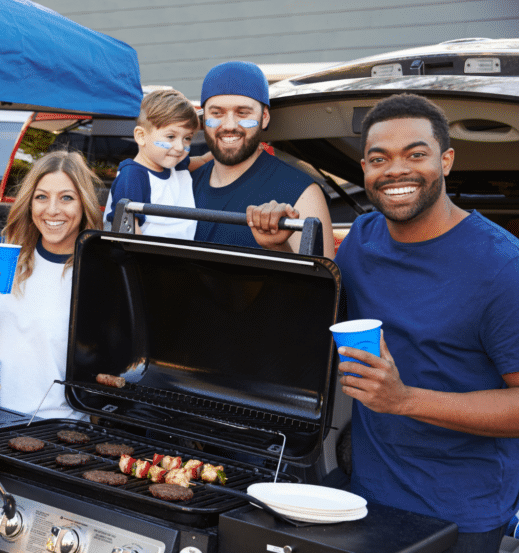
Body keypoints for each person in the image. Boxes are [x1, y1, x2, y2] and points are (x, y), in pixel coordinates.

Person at [335, 93, 519, 550]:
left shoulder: (502, 268)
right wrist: (281, 243)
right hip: (369, 497)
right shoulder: (361, 238)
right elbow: (322, 298)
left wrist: (404, 399)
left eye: (416, 154)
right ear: (365, 170)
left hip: (460, 514)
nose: (396, 170)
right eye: (380, 158)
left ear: (446, 160)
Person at [0, 150, 102, 419]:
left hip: (56, 424)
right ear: (29, 203)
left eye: (67, 198)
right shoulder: (5, 254)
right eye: (41, 197)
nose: (52, 210)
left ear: (84, 204)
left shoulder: (97, 270)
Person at [191, 61, 334, 258]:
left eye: (243, 113)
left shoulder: (302, 193)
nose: (229, 125)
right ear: (204, 118)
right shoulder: (183, 183)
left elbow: (321, 285)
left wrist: (277, 247)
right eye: (217, 113)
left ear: (264, 117)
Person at [103, 89, 211, 237]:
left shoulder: (176, 165)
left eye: (187, 138)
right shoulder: (133, 175)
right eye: (171, 136)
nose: (180, 147)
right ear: (141, 136)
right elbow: (129, 231)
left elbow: (204, 160)